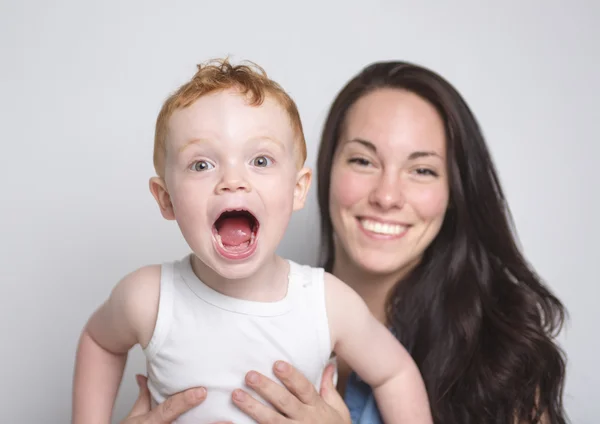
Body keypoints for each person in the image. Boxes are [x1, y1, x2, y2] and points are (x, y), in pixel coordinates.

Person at [121, 60, 569, 424]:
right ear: (320, 175)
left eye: (422, 170)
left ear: (455, 193)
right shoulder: (228, 311)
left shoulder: (504, 362)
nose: (387, 196)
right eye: (362, 160)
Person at [71, 58, 434, 424]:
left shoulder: (326, 303)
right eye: (201, 165)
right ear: (166, 198)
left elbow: (395, 373)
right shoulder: (148, 297)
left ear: (297, 189)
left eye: (260, 160)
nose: (233, 180)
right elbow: (99, 341)